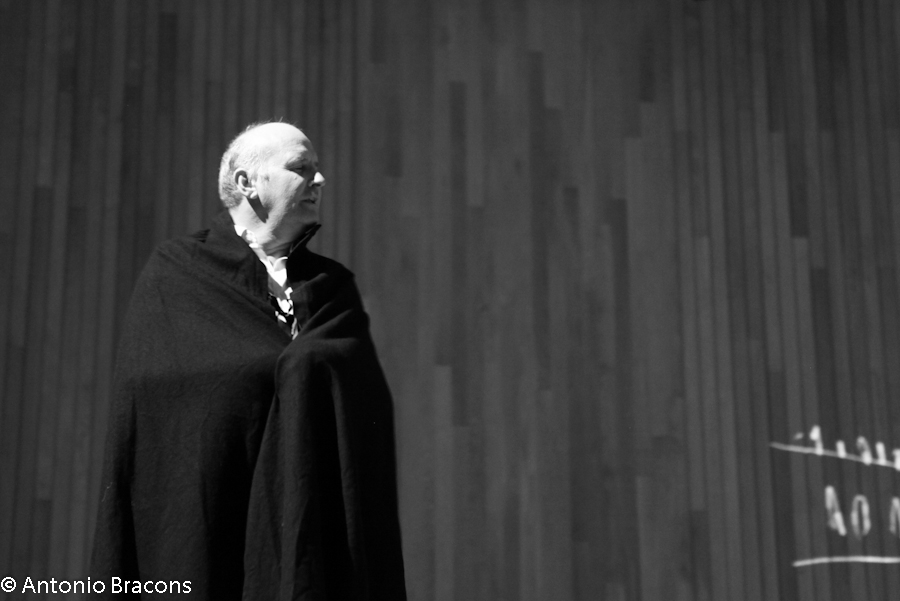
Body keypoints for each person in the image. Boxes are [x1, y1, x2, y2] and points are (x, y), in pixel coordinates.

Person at [90, 122, 407, 600]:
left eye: (317, 169)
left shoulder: (333, 289)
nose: (319, 180)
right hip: (209, 513)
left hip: (309, 514)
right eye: (301, 168)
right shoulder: (178, 271)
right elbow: (158, 402)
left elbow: (363, 402)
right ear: (247, 183)